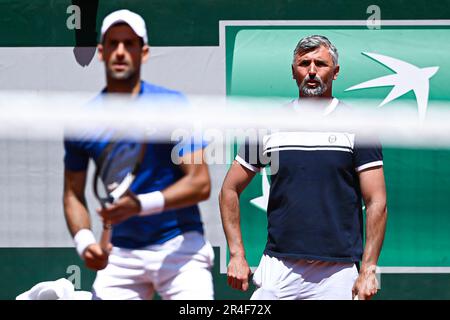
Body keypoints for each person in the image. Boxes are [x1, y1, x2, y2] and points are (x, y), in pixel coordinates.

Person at [219, 35, 387, 300]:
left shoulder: (360, 125)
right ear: (293, 71)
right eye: (303, 63)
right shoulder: (267, 125)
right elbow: (229, 189)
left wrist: (368, 269)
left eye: (320, 64)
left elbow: (376, 200)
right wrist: (237, 254)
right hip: (278, 268)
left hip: (338, 273)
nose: (311, 71)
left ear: (336, 72)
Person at [63, 9, 214, 300]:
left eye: (129, 44)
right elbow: (72, 193)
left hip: (180, 248)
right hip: (120, 253)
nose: (121, 52)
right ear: (101, 52)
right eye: (113, 44)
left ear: (143, 53)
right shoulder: (83, 120)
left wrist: (139, 205)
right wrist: (84, 242)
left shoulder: (172, 106)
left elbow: (199, 183)